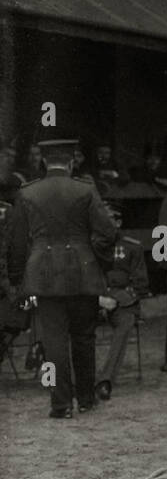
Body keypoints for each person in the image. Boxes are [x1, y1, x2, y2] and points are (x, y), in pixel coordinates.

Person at [5, 138, 116, 417]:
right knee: (84, 337)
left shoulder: (28, 193)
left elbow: (16, 242)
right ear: (71, 162)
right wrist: (96, 261)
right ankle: (87, 398)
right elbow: (108, 233)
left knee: (53, 341)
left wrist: (19, 279)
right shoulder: (85, 189)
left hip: (43, 275)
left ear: (43, 161)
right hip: (83, 272)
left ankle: (61, 403)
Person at [93, 202, 149, 401]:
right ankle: (79, 379)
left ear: (118, 222)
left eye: (107, 221)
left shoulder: (132, 247)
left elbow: (141, 284)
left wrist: (114, 299)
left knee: (124, 327)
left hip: (123, 303)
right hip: (95, 300)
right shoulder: (89, 247)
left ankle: (105, 381)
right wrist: (99, 300)